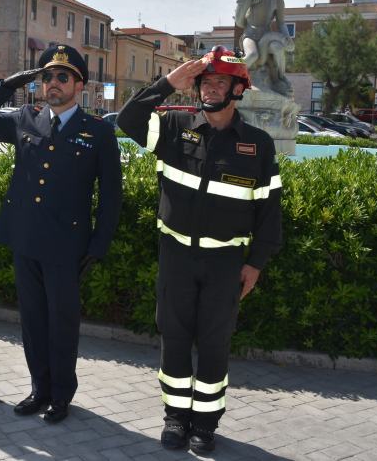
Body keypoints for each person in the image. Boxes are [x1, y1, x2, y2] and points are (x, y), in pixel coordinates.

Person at [117, 46, 283, 454]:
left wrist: (255, 265)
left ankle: (205, 425)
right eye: (205, 82)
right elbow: (127, 119)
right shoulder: (173, 127)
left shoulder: (258, 145)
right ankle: (175, 418)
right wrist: (167, 84)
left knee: (213, 344)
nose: (210, 89)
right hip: (176, 257)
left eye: (219, 82)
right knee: (173, 339)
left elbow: (269, 213)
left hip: (225, 263)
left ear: (237, 89)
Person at [0, 44, 123, 424]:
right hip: (26, 238)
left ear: (79, 85)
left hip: (67, 245)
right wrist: (7, 84)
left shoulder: (97, 132)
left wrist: (98, 245)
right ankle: (39, 389)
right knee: (33, 320)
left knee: (62, 322)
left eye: (62, 77)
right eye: (47, 76)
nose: (53, 83)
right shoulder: (25, 119)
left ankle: (61, 395)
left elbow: (111, 196)